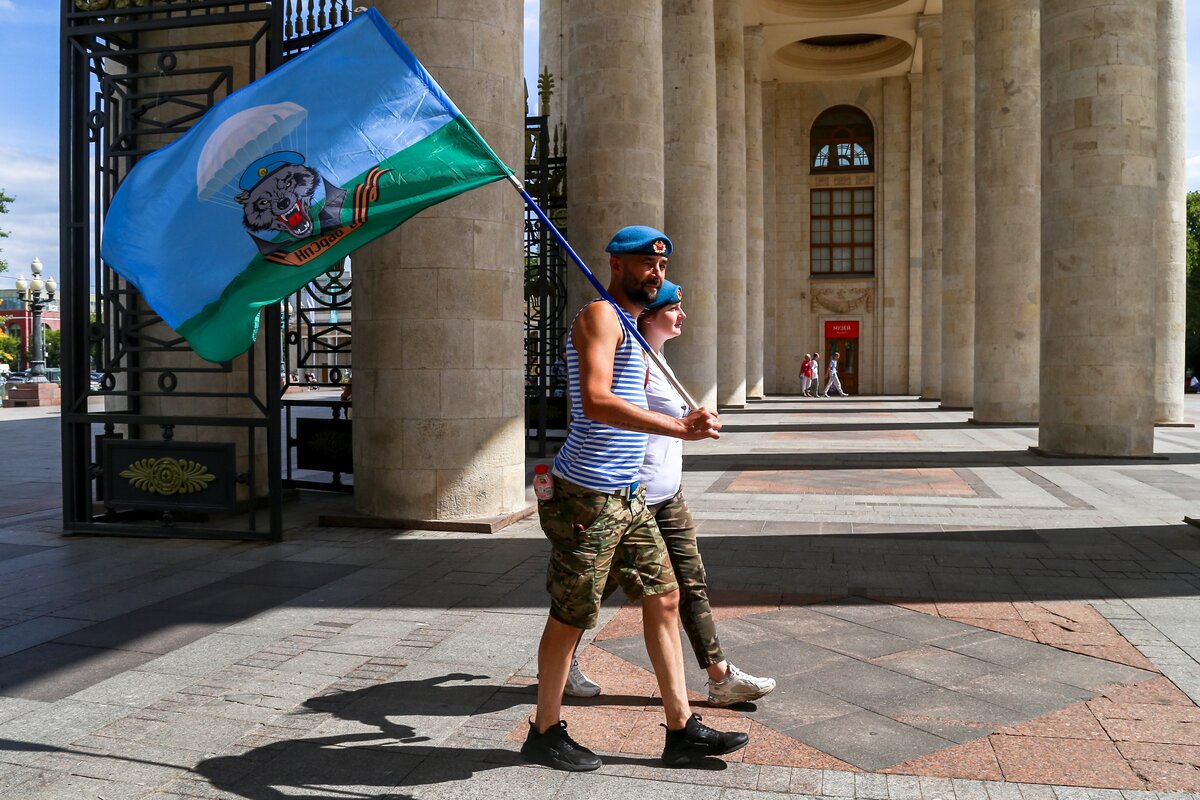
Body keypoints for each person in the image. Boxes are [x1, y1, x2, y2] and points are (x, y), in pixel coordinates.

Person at [522, 226, 749, 772]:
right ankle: (544, 731)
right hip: (587, 495)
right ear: (616, 265)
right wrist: (680, 427)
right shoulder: (600, 317)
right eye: (646, 264)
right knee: (572, 615)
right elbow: (596, 401)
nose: (656, 273)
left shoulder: (632, 327)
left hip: (628, 493)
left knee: (665, 597)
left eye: (662, 266)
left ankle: (681, 730)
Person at [567, 279, 776, 708]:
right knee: (596, 586)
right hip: (635, 495)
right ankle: (561, 659)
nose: (682, 315)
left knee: (690, 581)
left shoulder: (661, 359)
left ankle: (720, 677)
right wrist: (682, 426)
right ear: (649, 316)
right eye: (673, 309)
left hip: (669, 494)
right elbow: (606, 409)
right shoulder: (633, 360)